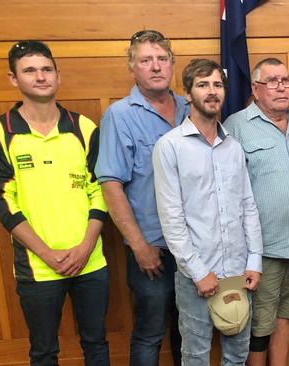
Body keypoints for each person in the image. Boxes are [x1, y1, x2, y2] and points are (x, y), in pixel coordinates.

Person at [0, 40, 110, 365]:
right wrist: (47, 253)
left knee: (96, 344)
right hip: (38, 268)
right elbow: (2, 200)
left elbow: (100, 188)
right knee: (44, 352)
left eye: (46, 69)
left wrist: (85, 246)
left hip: (90, 262)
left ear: (57, 75)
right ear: (14, 79)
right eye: (30, 70)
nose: (40, 77)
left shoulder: (83, 127)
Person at [152, 58, 263, 365]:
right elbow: (171, 219)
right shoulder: (169, 147)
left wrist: (254, 261)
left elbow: (247, 206)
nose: (211, 92)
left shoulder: (234, 147)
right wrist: (199, 273)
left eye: (217, 84)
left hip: (238, 272)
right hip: (196, 275)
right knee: (196, 356)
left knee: (238, 356)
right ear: (187, 93)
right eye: (202, 85)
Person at [95, 30, 188, 366]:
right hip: (153, 249)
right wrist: (139, 246)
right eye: (145, 60)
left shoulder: (191, 108)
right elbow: (110, 185)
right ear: (132, 68)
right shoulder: (120, 116)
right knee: (149, 333)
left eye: (162, 59)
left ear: (173, 65)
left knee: (190, 331)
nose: (155, 66)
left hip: (195, 247)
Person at [223, 57, 289, 366]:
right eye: (272, 81)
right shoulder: (236, 126)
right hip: (261, 250)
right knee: (259, 326)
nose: (281, 87)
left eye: (286, 80)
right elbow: (226, 189)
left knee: (286, 315)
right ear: (255, 88)